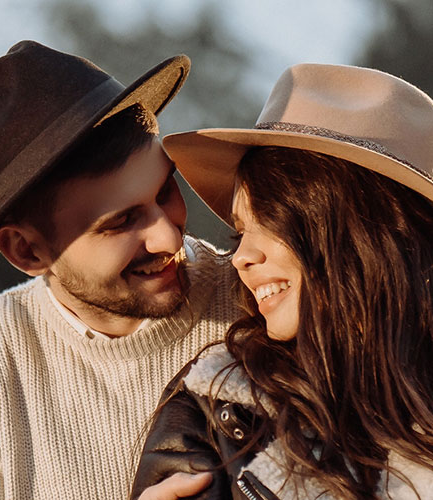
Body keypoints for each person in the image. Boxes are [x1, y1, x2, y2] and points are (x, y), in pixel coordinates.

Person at [0, 41, 241, 500]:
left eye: (164, 192)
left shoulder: (259, 301)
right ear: (26, 252)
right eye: (121, 222)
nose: (169, 238)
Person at [131, 63, 433, 499]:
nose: (241, 258)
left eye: (269, 224)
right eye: (239, 233)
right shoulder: (220, 412)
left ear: (363, 230)